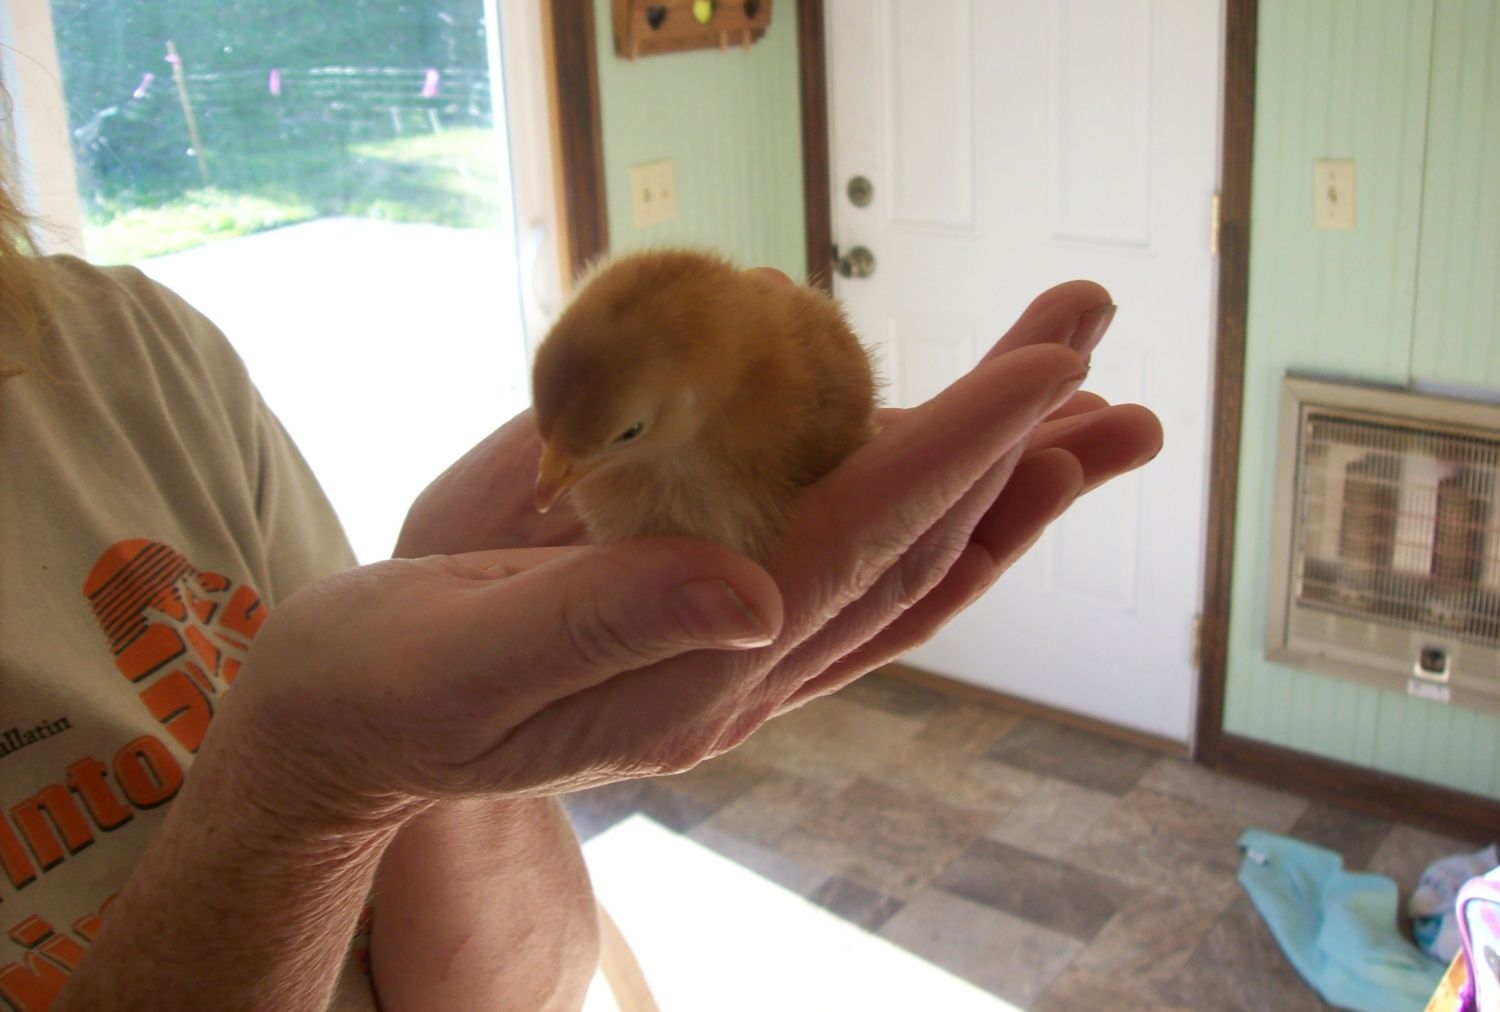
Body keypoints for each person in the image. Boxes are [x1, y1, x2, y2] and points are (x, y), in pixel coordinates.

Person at [0, 155, 1162, 1010]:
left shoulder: (130, 351)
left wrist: (429, 748)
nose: (551, 483)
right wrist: (300, 787)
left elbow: (511, 995)